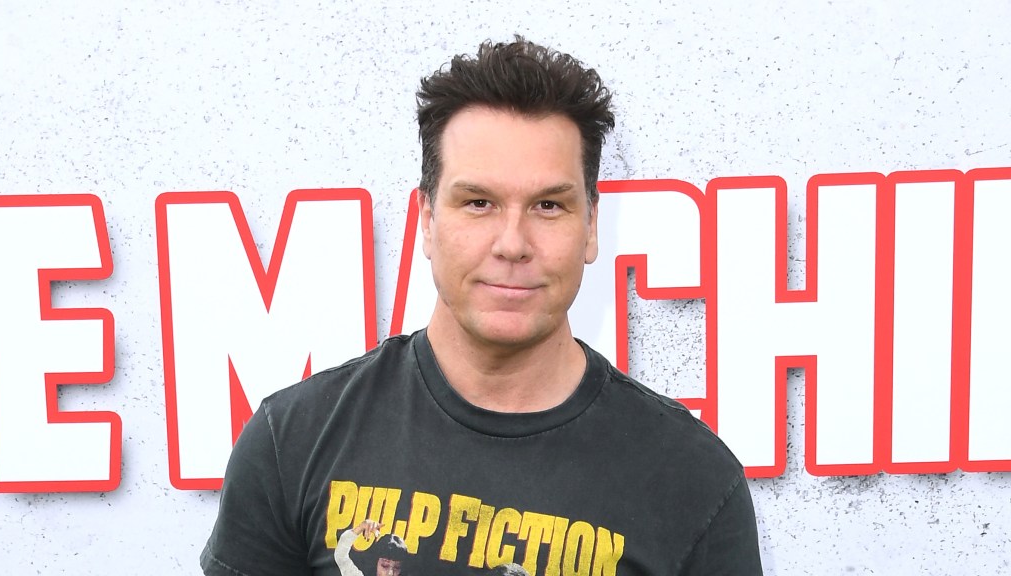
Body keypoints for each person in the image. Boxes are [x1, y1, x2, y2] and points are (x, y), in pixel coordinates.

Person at [201, 36, 762, 575]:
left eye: (548, 205)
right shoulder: (293, 441)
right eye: (478, 203)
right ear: (426, 219)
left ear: (592, 225)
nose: (512, 244)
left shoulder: (692, 480)